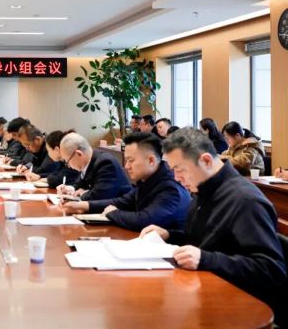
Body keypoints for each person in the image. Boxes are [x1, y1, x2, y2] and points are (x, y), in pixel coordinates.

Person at [141, 127, 287, 327]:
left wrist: (205, 259)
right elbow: (204, 240)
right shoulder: (203, 189)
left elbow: (271, 269)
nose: (176, 177)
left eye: (179, 169)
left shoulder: (245, 200)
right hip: (202, 293)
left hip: (240, 310)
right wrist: (169, 235)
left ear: (206, 161)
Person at [64, 132, 190, 231]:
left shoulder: (170, 187)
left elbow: (145, 220)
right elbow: (122, 202)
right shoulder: (147, 179)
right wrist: (84, 205)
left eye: (131, 160)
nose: (127, 166)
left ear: (151, 160)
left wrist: (113, 213)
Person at [59, 132, 132, 200]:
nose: (68, 166)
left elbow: (99, 197)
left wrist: (83, 193)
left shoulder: (105, 163)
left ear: (79, 154)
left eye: (67, 161)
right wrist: (71, 188)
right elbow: (80, 184)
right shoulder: (87, 162)